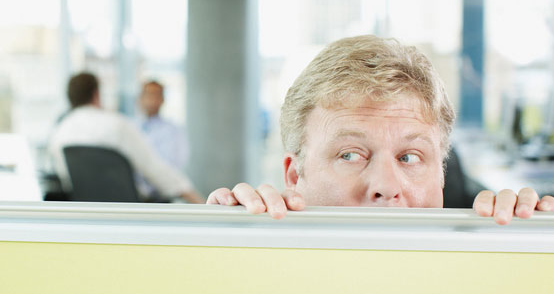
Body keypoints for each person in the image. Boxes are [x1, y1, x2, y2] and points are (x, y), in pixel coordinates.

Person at [207, 35, 554, 224]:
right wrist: (232, 241)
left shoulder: (484, 269)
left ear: (442, 176)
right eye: (350, 155)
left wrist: (526, 238)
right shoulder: (262, 261)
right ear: (295, 175)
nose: (387, 188)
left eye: (410, 157)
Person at [49, 72, 203, 204]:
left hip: (85, 216)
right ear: (96, 94)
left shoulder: (60, 132)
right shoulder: (117, 125)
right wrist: (200, 202)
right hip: (131, 213)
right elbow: (157, 171)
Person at [134, 80, 189, 200]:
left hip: (162, 195)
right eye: (148, 94)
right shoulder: (131, 127)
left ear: (163, 100)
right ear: (140, 99)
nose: (152, 100)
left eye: (156, 95)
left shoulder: (173, 130)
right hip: (133, 195)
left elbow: (175, 163)